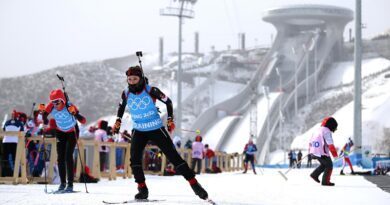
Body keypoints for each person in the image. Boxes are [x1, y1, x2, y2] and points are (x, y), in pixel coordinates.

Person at [112, 65, 208, 200]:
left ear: (140, 79)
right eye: (129, 79)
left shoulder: (151, 90)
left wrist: (169, 119)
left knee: (173, 157)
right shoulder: (126, 92)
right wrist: (118, 122)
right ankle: (142, 189)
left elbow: (168, 102)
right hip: (139, 130)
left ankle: (195, 185)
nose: (132, 81)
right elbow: (121, 107)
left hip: (156, 129)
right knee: (134, 160)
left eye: (135, 79)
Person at [41, 89, 87, 192]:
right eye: (53, 101)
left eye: (57, 101)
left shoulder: (69, 106)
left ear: (62, 100)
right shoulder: (51, 106)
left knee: (68, 156)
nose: (55, 104)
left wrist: (75, 114)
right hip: (60, 131)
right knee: (60, 158)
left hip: (72, 131)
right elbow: (44, 114)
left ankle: (70, 184)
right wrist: (45, 119)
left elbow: (83, 121)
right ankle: (62, 184)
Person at [309, 117, 338, 186]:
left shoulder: (318, 129)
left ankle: (314, 175)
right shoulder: (327, 131)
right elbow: (330, 144)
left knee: (324, 164)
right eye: (335, 127)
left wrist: (310, 151)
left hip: (314, 150)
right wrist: (335, 155)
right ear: (332, 125)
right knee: (329, 165)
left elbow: (310, 141)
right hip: (321, 152)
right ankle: (325, 181)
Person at [2, 110, 24, 176]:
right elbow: (22, 132)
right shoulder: (20, 123)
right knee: (15, 158)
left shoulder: (7, 122)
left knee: (5, 158)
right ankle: (17, 174)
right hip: (14, 142)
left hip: (5, 141)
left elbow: (4, 130)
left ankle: (4, 174)